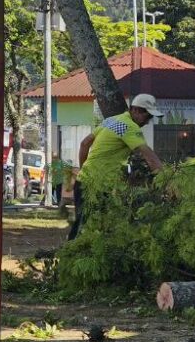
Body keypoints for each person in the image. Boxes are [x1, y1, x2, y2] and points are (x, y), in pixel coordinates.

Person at [69, 93, 164, 240]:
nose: (147, 122)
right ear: (135, 110)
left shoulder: (110, 121)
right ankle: (74, 252)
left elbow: (84, 143)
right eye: (147, 116)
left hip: (84, 182)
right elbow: (150, 157)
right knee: (91, 229)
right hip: (99, 187)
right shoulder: (130, 127)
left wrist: (84, 170)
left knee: (84, 226)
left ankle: (73, 251)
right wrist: (166, 179)